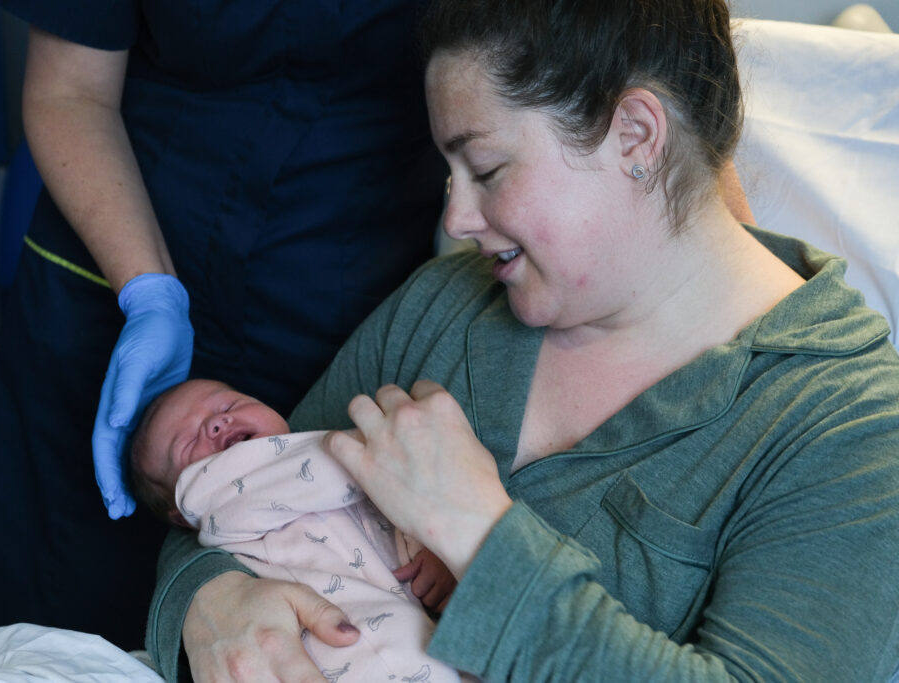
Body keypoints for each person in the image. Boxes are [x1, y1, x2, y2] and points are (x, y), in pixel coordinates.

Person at [144, 0, 899, 681]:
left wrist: (479, 529)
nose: (458, 220)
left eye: (487, 168)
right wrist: (211, 598)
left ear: (635, 134)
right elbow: (233, 493)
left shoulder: (849, 431)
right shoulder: (448, 305)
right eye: (449, 175)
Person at [0, 0, 448, 659]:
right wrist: (146, 289)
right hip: (115, 267)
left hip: (341, 298)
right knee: (45, 614)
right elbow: (69, 93)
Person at [129, 378, 466, 682]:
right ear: (183, 516)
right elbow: (374, 469)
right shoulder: (223, 500)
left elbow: (392, 516)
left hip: (420, 643)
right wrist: (389, 449)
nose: (216, 424)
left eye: (227, 405)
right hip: (344, 656)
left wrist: (428, 549)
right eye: (187, 444)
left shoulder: (316, 469)